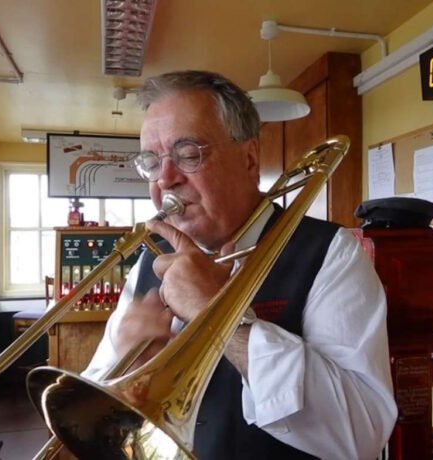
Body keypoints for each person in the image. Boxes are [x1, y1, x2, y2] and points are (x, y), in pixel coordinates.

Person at [83, 70, 397, 460]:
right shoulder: (149, 259)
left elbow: (360, 434)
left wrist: (218, 315)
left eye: (188, 153)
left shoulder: (331, 252)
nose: (165, 178)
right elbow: (95, 404)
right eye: (151, 161)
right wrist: (123, 365)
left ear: (249, 159)